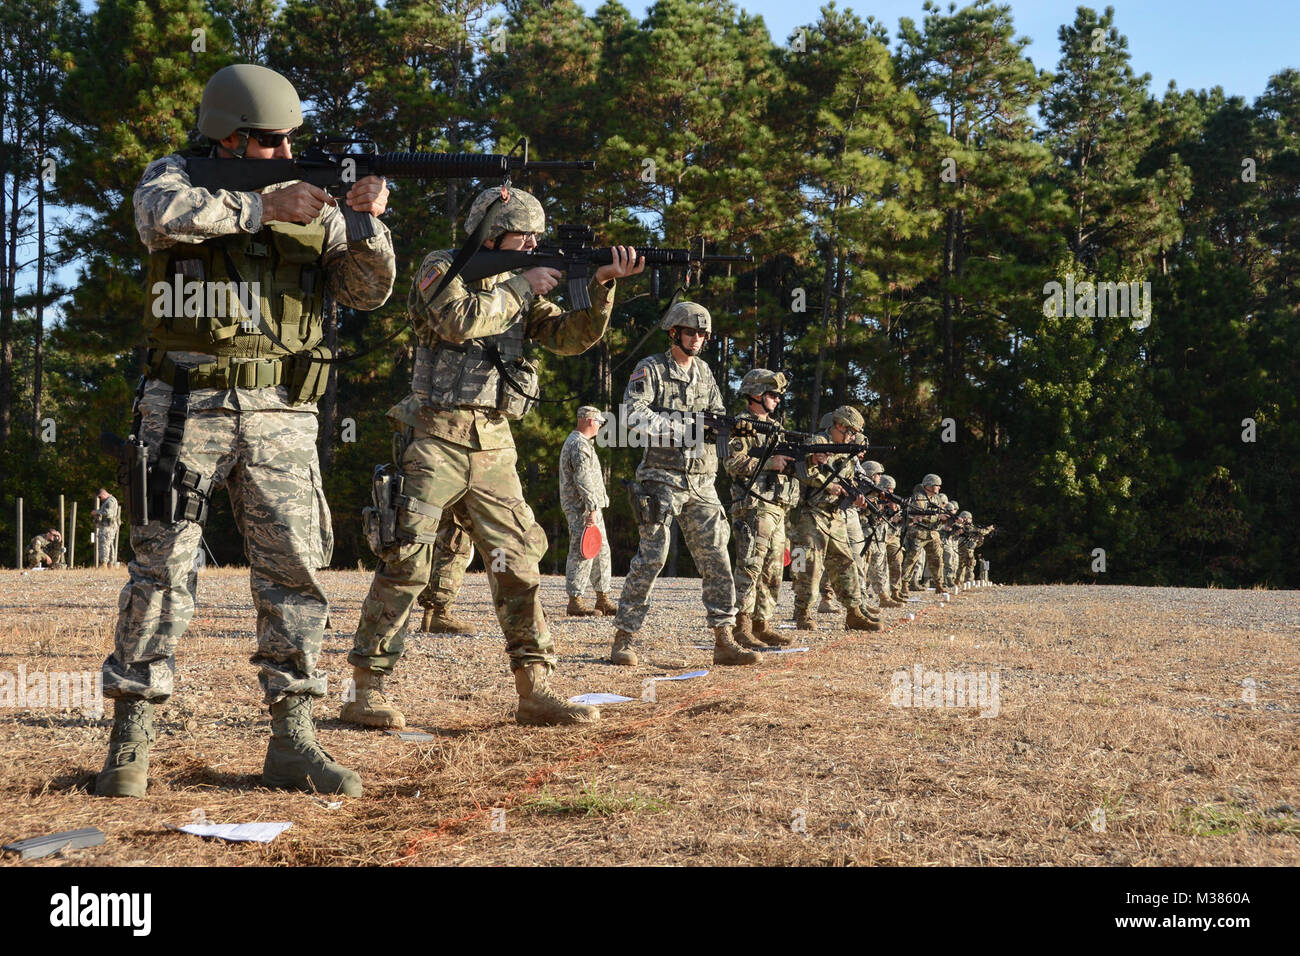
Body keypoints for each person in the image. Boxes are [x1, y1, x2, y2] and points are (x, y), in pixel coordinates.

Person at [96, 64, 396, 800]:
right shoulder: (174, 176)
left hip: (284, 412)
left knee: (296, 570)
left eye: (292, 141)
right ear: (228, 138)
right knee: (161, 572)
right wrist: (265, 207)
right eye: (271, 142)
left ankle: (293, 738)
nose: (286, 153)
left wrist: (364, 223)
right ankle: (131, 736)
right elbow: (157, 218)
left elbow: (369, 291)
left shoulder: (316, 206)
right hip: (181, 407)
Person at [344, 185, 643, 728]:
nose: (531, 242)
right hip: (433, 436)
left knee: (518, 564)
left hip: (494, 443)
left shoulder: (524, 286)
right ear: (489, 229)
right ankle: (366, 690)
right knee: (407, 561)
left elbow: (568, 338)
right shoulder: (445, 266)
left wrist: (600, 289)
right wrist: (521, 285)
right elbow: (458, 321)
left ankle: (536, 689)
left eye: (536, 235)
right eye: (520, 231)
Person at [610, 302, 758, 668]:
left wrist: (732, 430)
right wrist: (682, 429)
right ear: (674, 332)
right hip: (661, 479)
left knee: (718, 558)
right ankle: (624, 639)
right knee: (652, 557)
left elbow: (717, 417)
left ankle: (723, 640)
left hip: (703, 481)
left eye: (703, 334)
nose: (697, 339)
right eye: (691, 332)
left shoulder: (705, 373)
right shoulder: (652, 369)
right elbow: (632, 413)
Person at [789, 406, 882, 632]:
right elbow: (803, 472)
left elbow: (847, 481)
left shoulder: (846, 451)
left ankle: (854, 612)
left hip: (834, 515)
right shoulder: (816, 443)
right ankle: (803, 612)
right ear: (838, 426)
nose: (852, 437)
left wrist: (856, 497)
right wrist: (831, 486)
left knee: (845, 562)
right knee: (809, 566)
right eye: (850, 432)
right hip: (810, 512)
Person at [723, 368, 798, 649]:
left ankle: (761, 624)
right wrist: (770, 462)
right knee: (750, 567)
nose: (777, 400)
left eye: (778, 395)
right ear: (756, 394)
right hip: (752, 506)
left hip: (777, 507)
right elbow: (732, 463)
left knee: (773, 571)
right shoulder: (740, 425)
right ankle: (741, 627)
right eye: (772, 395)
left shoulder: (776, 428)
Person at [560, 406, 617, 617]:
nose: (600, 425)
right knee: (582, 551)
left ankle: (603, 599)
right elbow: (582, 478)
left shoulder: (583, 444)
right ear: (587, 420)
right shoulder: (577, 444)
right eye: (598, 421)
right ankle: (575, 601)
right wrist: (592, 507)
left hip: (590, 507)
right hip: (581, 508)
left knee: (601, 551)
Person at [416, 504, 479, 635]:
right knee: (454, 549)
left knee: (428, 550)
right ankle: (440, 615)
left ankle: (429, 614)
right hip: (450, 498)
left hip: (425, 499)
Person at [901, 474, 948, 598]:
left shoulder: (936, 499)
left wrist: (942, 518)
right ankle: (904, 584)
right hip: (918, 532)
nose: (938, 488)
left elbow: (939, 513)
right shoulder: (918, 498)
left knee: (937, 558)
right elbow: (918, 515)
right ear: (928, 486)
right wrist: (937, 517)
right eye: (935, 485)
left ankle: (939, 584)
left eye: (938, 486)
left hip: (932, 533)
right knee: (912, 558)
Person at [956, 512, 995, 585]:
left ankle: (959, 583)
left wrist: (979, 540)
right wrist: (988, 529)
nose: (971, 520)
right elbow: (980, 531)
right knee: (969, 568)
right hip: (966, 551)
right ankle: (968, 583)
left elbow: (975, 543)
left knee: (961, 568)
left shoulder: (962, 526)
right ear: (965, 518)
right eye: (970, 518)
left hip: (964, 550)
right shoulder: (964, 526)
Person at [92, 488, 121, 567]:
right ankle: (110, 564)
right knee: (109, 545)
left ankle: (104, 563)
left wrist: (97, 512)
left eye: (100, 497)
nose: (100, 499)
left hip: (108, 526)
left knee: (104, 544)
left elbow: (108, 513)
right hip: (107, 526)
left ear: (103, 494)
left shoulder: (110, 501)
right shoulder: (108, 501)